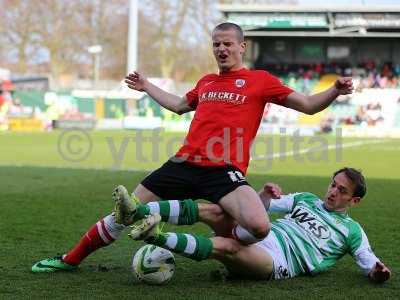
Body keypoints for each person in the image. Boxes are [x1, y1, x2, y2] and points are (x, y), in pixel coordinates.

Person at [31, 22, 353, 272]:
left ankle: (196, 233)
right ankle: (70, 259)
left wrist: (334, 91)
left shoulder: (260, 80)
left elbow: (309, 105)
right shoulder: (206, 82)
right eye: (216, 45)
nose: (222, 50)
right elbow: (180, 105)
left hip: (224, 171)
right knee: (122, 212)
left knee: (258, 226)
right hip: (183, 163)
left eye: (228, 44)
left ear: (242, 47)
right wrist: (146, 86)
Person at [127, 167, 391, 283]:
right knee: (220, 211)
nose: (333, 191)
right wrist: (265, 193)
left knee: (229, 247)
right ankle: (139, 209)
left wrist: (377, 273)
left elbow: (370, 263)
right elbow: (260, 208)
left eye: (342, 190)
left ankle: (154, 237)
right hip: (263, 236)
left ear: (354, 201)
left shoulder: (353, 232)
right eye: (333, 184)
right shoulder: (306, 199)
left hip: (280, 261)